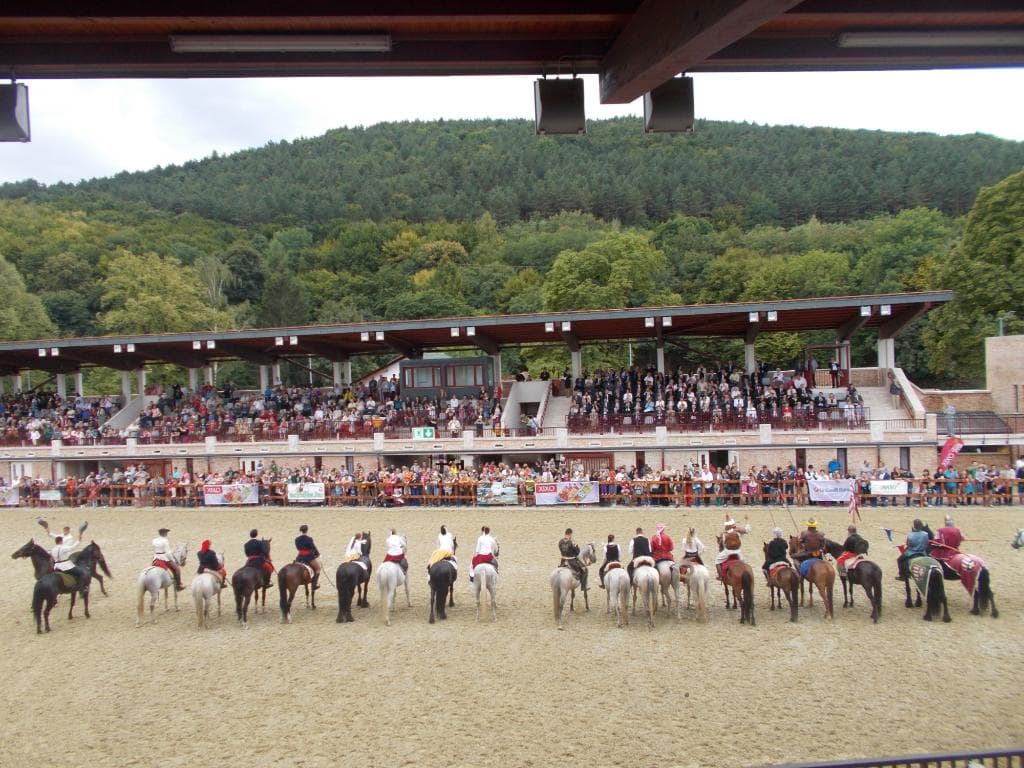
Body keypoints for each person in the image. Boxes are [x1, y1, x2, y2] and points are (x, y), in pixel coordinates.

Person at [153, 527, 184, 591]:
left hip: (155, 557)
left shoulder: (154, 540)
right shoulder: (165, 541)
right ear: (164, 533)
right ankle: (178, 586)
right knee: (177, 569)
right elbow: (168, 553)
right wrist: (173, 560)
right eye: (166, 532)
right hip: (163, 558)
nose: (167, 534)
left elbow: (154, 549)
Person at [294, 524, 322, 591]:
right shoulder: (309, 539)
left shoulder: (297, 539)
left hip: (299, 557)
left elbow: (298, 548)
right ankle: (314, 584)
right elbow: (313, 547)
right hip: (308, 557)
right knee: (318, 569)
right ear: (307, 530)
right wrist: (317, 554)